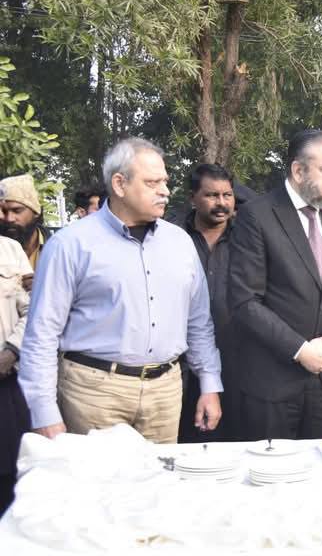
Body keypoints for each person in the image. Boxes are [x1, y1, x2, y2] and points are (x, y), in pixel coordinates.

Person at [19, 137, 222, 443]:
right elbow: (42, 333)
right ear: (119, 184)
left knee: (158, 474)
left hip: (165, 392)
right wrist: (43, 412)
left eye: (165, 182)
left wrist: (209, 383)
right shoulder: (71, 245)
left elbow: (198, 321)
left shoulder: (180, 243)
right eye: (152, 182)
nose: (165, 191)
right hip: (93, 393)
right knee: (99, 476)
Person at [229, 129, 322, 441]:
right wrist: (300, 349)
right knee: (271, 469)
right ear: (298, 171)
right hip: (272, 382)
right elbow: (245, 301)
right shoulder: (257, 216)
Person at [173, 163, 238, 443]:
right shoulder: (172, 238)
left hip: (237, 359)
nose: (221, 203)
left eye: (227, 195)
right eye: (212, 195)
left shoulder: (248, 238)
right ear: (193, 198)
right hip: (181, 363)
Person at [0, 235, 32, 514]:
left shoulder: (9, 250)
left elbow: (33, 308)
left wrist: (11, 351)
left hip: (5, 382)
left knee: (11, 477)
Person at [0, 175, 49, 271]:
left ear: (36, 212)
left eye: (17, 211)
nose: (9, 219)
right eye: (4, 212)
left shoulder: (58, 247)